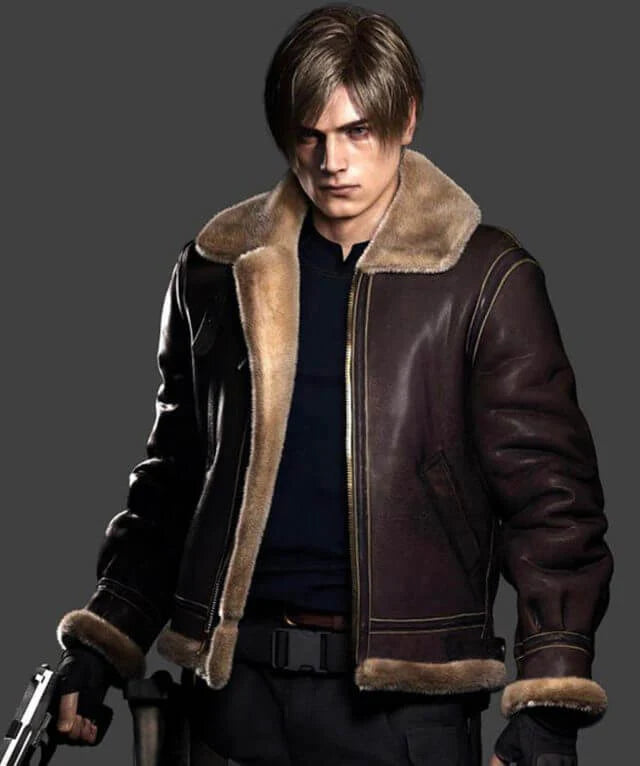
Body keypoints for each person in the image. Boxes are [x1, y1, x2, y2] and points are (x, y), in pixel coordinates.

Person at [52, 4, 613, 764]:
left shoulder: (484, 280)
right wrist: (102, 644)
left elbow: (555, 505)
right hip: (231, 696)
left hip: (404, 707)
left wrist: (549, 703)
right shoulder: (219, 271)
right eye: (310, 135)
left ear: (406, 119)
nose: (332, 162)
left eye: (358, 131)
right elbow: (173, 482)